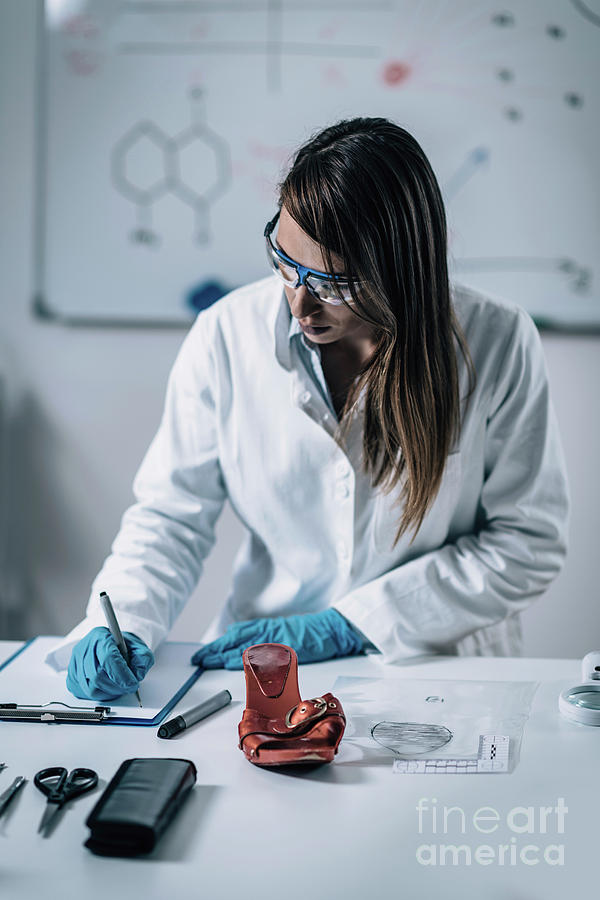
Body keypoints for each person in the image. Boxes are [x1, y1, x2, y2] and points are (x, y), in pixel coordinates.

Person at [46, 117, 569, 701]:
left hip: (432, 665)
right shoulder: (224, 335)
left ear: (400, 273)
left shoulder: (497, 340)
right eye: (285, 263)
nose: (299, 301)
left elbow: (528, 541)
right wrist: (121, 623)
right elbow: (171, 515)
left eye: (332, 283)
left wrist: (351, 624)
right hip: (264, 665)